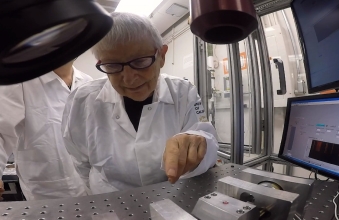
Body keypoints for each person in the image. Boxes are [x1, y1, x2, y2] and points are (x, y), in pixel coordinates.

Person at [62, 12, 219, 195]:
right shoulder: (82, 101)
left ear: (161, 56)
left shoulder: (183, 92)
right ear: (101, 63)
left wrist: (197, 142)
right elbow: (80, 163)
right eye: (112, 66)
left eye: (140, 61)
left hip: (172, 196)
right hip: (111, 202)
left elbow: (205, 138)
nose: (129, 79)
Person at [0, 61, 92, 200]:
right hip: (46, 190)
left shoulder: (87, 82)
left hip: (90, 185)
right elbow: (3, 132)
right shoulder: (21, 82)